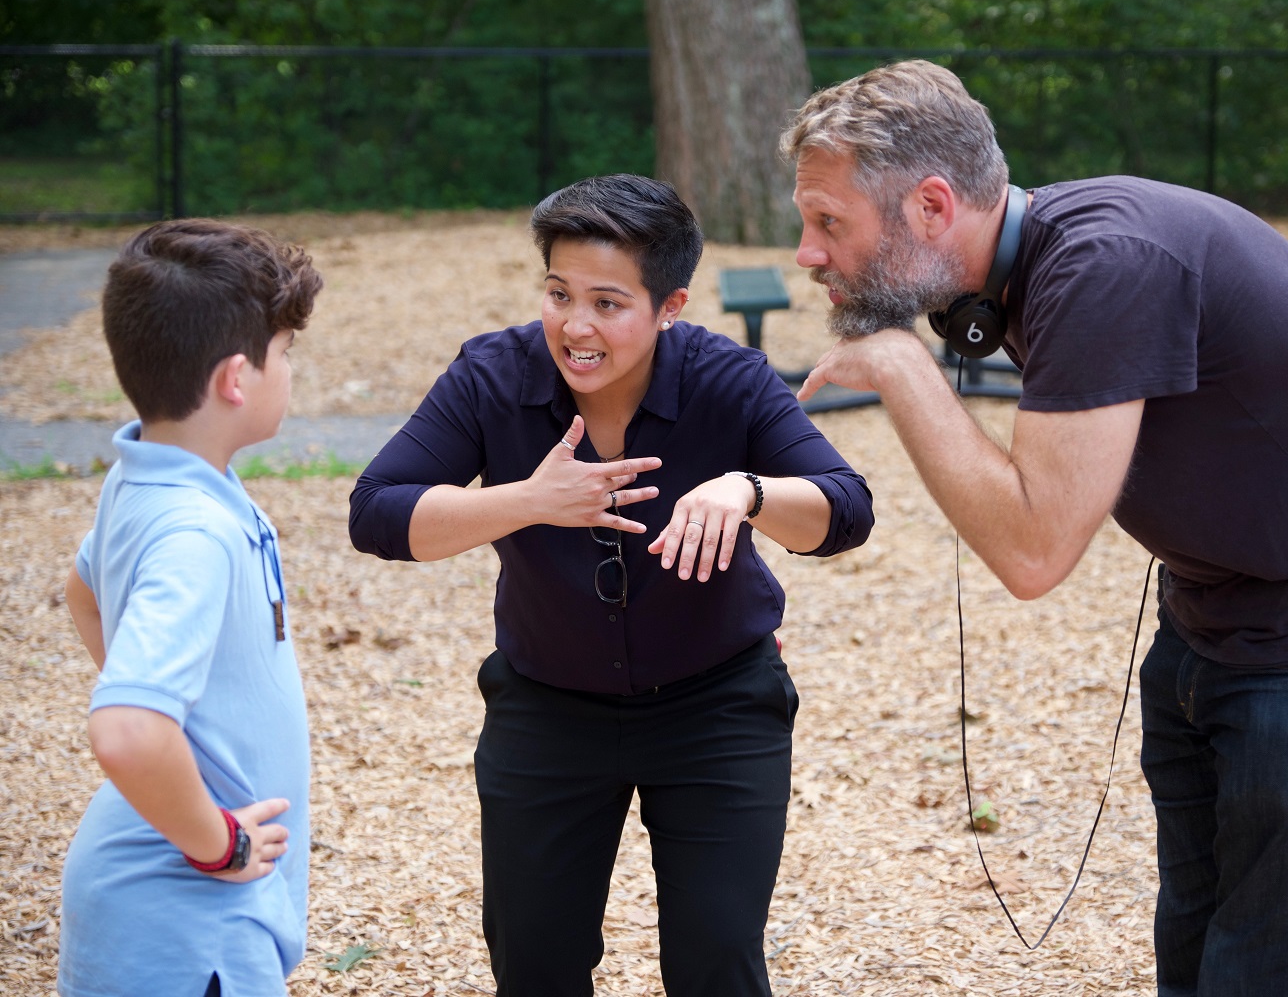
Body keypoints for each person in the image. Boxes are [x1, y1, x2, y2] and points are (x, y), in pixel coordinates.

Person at [784, 60, 1288, 996]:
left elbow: (1034, 549)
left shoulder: (1102, 264)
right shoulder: (1027, 267)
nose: (809, 252)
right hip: (1210, 610)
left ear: (933, 206)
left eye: (828, 222)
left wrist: (904, 371)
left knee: (1261, 952)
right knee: (1194, 927)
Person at [347, 173, 873, 996]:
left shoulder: (726, 378)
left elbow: (847, 508)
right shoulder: (492, 375)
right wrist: (526, 502)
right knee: (536, 963)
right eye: (558, 294)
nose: (574, 325)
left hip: (718, 706)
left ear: (670, 306)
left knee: (717, 962)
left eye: (607, 303)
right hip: (546, 707)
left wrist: (748, 491)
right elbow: (376, 513)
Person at [60, 219, 322, 997]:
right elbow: (130, 731)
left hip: (158, 918)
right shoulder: (195, 530)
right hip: (186, 928)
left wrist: (177, 707)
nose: (290, 369)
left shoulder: (150, 472)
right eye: (286, 351)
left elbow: (84, 592)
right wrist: (219, 846)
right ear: (237, 379)